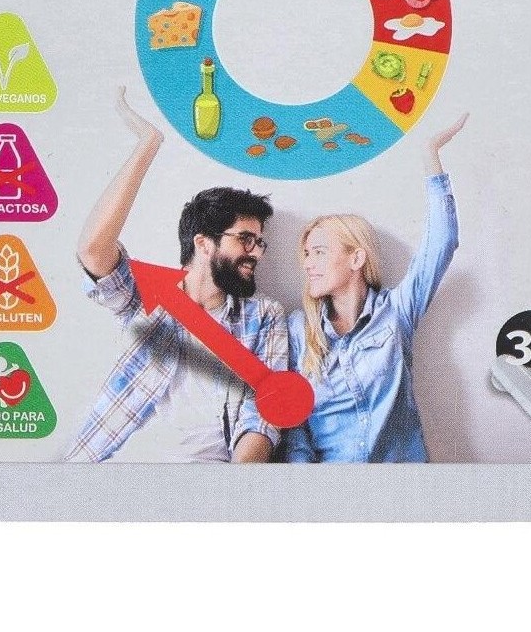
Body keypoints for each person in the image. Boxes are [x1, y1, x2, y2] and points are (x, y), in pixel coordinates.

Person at [64, 87, 287, 463]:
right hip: (115, 468)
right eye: (245, 240)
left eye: (260, 242)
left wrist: (237, 490)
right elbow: (92, 250)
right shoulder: (146, 298)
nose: (256, 252)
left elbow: (263, 415)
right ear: (203, 243)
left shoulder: (263, 315)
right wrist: (148, 144)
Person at [284, 113, 466, 463]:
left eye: (319, 252)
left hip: (401, 481)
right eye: (306, 255)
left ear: (356, 258)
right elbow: (296, 429)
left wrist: (429, 153)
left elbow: (442, 242)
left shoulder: (396, 312)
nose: (307, 264)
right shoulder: (298, 329)